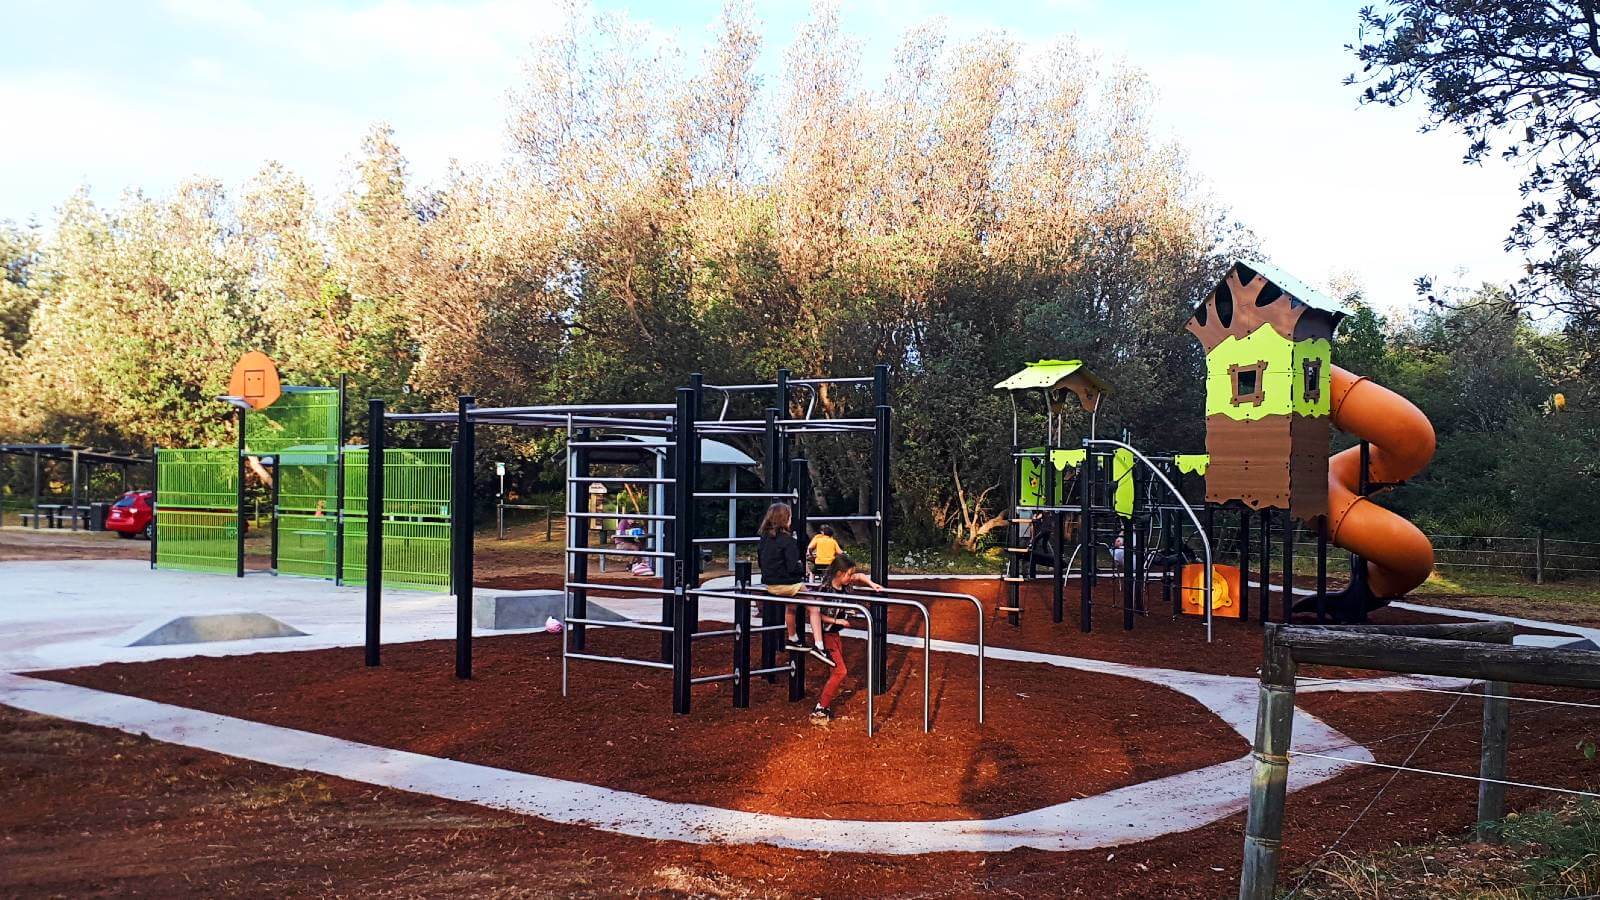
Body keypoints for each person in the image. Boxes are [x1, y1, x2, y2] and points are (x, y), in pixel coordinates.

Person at [808, 553, 882, 724]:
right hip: (826, 635)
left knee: (835, 671)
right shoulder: (825, 590)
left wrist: (872, 584)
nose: (851, 577)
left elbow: (860, 576)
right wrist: (837, 620)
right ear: (839, 573)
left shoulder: (845, 582)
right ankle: (820, 707)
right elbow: (815, 614)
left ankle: (825, 705)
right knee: (841, 671)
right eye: (849, 574)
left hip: (835, 635)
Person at [757, 502, 831, 667]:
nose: (791, 520)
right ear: (784, 519)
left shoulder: (764, 539)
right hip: (787, 585)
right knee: (813, 607)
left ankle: (793, 637)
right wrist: (801, 569)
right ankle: (819, 645)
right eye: (789, 517)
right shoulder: (787, 540)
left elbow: (761, 562)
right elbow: (792, 567)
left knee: (792, 606)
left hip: (770, 585)